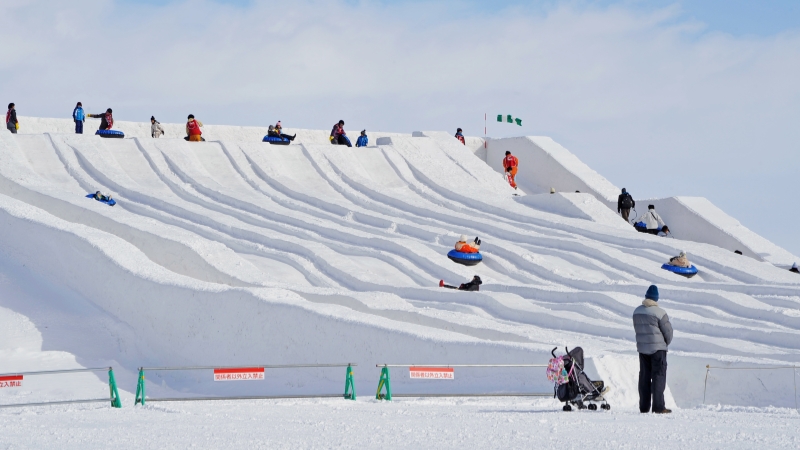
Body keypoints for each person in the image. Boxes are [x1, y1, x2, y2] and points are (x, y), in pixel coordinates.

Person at [633, 285, 673, 414]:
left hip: (643, 349)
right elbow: (668, 333)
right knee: (658, 376)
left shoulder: (636, 311)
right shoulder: (660, 313)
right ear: (656, 298)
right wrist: (664, 344)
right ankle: (658, 407)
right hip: (658, 350)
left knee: (644, 377)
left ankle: (644, 407)